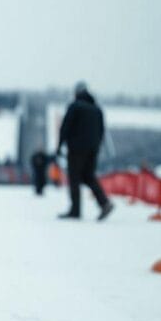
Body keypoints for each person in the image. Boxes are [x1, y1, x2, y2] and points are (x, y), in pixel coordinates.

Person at [57, 81, 113, 220]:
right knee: (89, 176)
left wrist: (59, 146)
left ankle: (75, 210)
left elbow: (65, 127)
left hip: (76, 149)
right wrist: (97, 147)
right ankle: (104, 203)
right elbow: (101, 131)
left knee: (74, 178)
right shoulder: (97, 109)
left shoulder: (75, 107)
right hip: (93, 149)